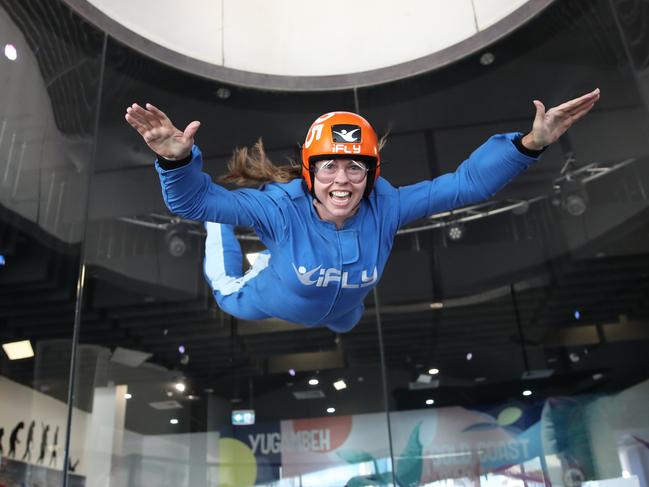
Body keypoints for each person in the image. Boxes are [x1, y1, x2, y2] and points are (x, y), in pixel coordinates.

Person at [125, 89, 599, 332]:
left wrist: (532, 142)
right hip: (269, 294)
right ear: (309, 173)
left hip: (344, 308)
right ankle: (229, 235)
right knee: (226, 284)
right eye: (329, 167)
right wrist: (177, 159)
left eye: (356, 169)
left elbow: (466, 184)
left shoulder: (387, 205)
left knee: (346, 321)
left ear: (371, 175)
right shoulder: (280, 209)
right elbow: (191, 200)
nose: (342, 181)